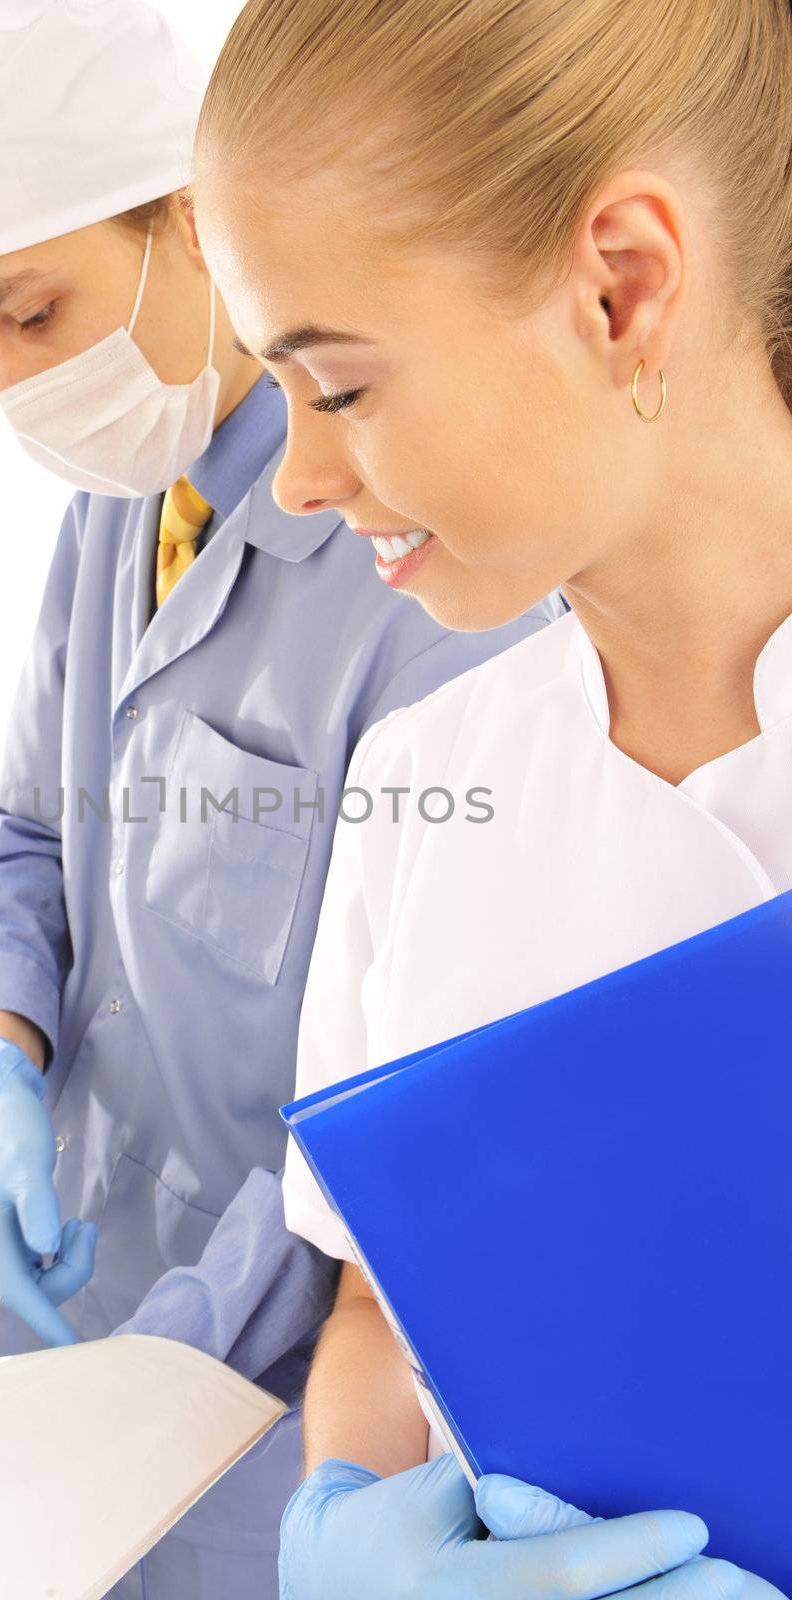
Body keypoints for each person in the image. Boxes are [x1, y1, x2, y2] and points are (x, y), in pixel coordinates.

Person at [0, 2, 566, 1594]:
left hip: (272, 1400)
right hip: (75, 1313)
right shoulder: (127, 502)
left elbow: (412, 1088)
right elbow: (31, 831)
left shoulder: (430, 579)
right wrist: (0, 1071)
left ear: (191, 217)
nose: (12, 387)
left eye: (33, 313)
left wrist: (162, 1360)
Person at [189, 0, 792, 1596]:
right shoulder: (419, 787)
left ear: (620, 285)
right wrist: (343, 1521)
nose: (302, 482)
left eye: (342, 387)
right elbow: (383, 1305)